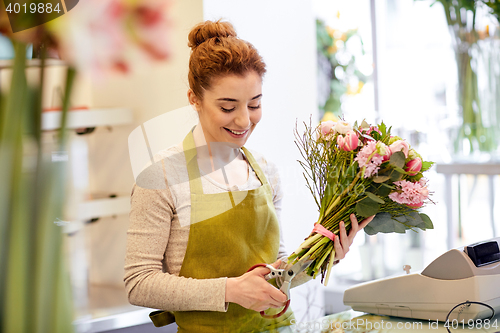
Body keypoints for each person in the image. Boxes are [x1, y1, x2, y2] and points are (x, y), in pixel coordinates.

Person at [124, 19, 373, 333]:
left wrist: (324, 256)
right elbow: (138, 282)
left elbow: (277, 274)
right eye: (228, 107)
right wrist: (231, 290)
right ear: (194, 99)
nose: (244, 120)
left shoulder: (264, 171)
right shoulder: (161, 176)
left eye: (254, 104)